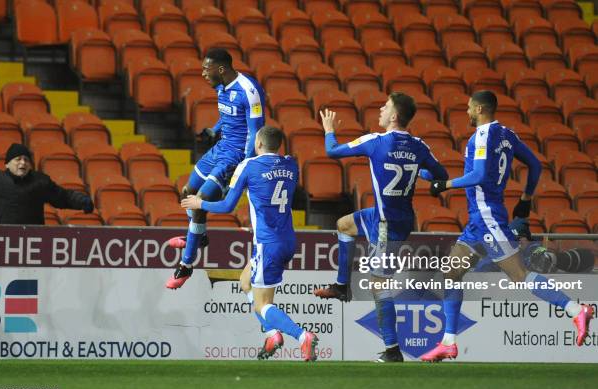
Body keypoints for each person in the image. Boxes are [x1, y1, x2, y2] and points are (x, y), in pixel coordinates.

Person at [420, 90, 594, 362]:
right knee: (451, 274)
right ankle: (448, 342)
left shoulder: (482, 136)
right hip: (477, 222)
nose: (466, 112)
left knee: (520, 276)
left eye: (468, 108)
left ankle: (575, 309)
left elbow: (477, 175)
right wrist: (525, 200)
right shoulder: (508, 135)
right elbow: (535, 165)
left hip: (488, 218)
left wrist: (444, 185)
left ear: (479, 109)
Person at [314, 92, 449, 362]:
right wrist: (417, 172)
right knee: (344, 225)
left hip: (387, 224)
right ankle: (342, 286)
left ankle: (392, 350)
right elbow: (442, 176)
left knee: (379, 285)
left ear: (395, 116)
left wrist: (329, 130)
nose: (380, 109)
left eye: (385, 106)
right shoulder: (419, 146)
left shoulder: (376, 141)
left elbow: (332, 151)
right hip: (387, 215)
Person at [181, 126, 318, 362]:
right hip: (287, 240)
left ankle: (302, 336)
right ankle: (273, 333)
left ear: (258, 144)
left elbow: (226, 206)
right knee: (245, 281)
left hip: (268, 243)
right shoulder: (291, 165)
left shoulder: (249, 166)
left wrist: (198, 203)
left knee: (263, 305)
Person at [166, 48, 266, 290]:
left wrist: (245, 163)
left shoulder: (249, 91)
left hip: (234, 157)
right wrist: (214, 130)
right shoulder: (221, 86)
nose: (202, 74)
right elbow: (229, 115)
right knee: (186, 191)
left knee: (200, 201)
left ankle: (186, 265)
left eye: (205, 69)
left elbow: (256, 131)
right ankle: (198, 237)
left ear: (221, 69)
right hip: (219, 149)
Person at [0, 143, 93, 224]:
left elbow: (63, 197)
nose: (23, 162)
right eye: (18, 159)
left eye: (26, 160)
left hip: (31, 241)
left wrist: (82, 201)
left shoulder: (40, 181)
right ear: (7, 164)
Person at [474, 218, 595, 274]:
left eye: (520, 237)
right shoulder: (498, 253)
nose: (517, 242)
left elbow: (542, 256)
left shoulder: (535, 248)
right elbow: (481, 271)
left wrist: (551, 258)